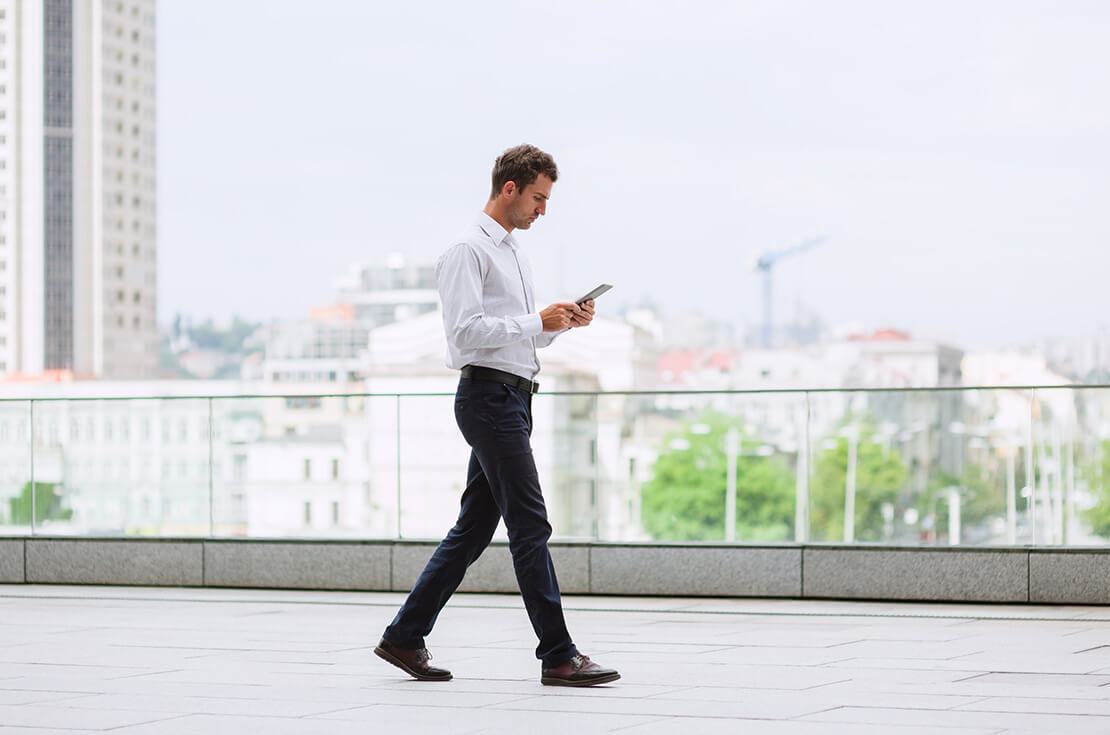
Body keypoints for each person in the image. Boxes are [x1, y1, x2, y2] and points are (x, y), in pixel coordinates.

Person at [375, 144, 620, 688]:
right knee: (530, 524)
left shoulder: (514, 253)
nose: (542, 209)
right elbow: (465, 335)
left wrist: (560, 323)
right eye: (538, 197)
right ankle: (558, 654)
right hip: (487, 401)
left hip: (515, 396)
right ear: (508, 189)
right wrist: (537, 321)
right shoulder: (467, 251)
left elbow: (517, 341)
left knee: (472, 529)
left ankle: (403, 636)